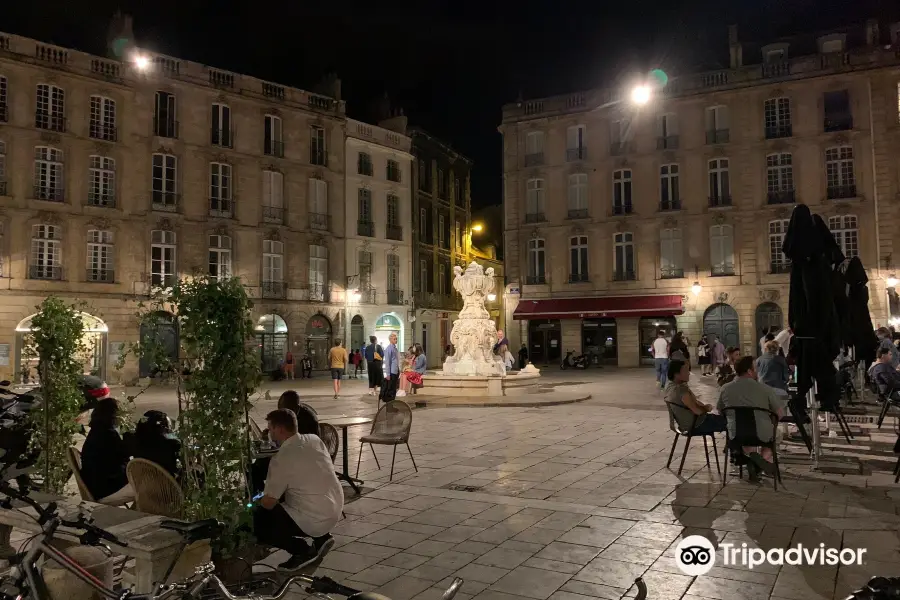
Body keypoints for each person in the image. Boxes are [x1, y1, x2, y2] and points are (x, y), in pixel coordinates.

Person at [253, 408, 341, 571]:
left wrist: (254, 502)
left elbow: (269, 503)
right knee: (297, 491)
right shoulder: (314, 439)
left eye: (270, 429)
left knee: (258, 521)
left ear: (279, 429)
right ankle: (322, 538)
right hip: (334, 509)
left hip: (314, 518)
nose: (269, 433)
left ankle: (301, 550)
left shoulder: (282, 458)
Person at [717, 356, 786, 481]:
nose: (758, 371)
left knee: (745, 435)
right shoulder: (765, 389)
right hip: (762, 434)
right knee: (776, 435)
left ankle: (752, 458)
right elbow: (779, 414)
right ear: (749, 371)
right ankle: (759, 463)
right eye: (756, 368)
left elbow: (720, 411)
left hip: (735, 434)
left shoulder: (725, 388)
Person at [81, 398, 134, 504]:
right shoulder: (107, 434)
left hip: (95, 485)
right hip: (105, 488)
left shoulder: (97, 430)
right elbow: (125, 453)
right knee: (146, 485)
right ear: (113, 415)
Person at [664, 359, 726, 436]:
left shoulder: (669, 386)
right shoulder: (681, 390)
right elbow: (697, 411)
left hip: (685, 424)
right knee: (731, 422)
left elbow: (694, 402)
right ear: (676, 374)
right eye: (686, 371)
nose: (689, 373)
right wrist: (707, 408)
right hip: (696, 425)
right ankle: (732, 447)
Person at [125, 410, 181, 478]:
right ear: (162, 428)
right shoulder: (171, 445)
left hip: (142, 483)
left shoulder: (133, 442)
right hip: (166, 484)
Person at [380, 333, 401, 403]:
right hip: (392, 372)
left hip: (395, 370)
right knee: (391, 389)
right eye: (394, 339)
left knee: (394, 388)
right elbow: (387, 362)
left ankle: (392, 403)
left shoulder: (395, 348)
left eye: (396, 339)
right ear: (390, 340)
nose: (396, 340)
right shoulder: (389, 349)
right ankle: (389, 405)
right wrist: (388, 374)